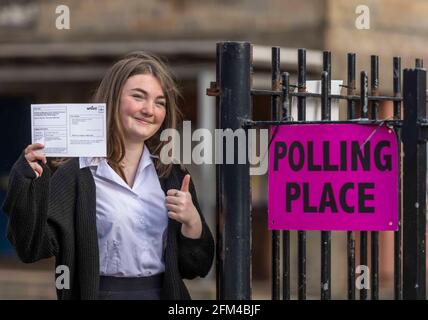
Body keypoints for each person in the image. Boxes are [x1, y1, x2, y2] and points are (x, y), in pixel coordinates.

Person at [1, 52, 214, 300]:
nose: (149, 110)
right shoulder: (76, 175)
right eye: (138, 97)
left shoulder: (173, 175)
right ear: (113, 99)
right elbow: (31, 248)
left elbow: (196, 267)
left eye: (160, 102)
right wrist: (26, 182)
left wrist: (192, 221)